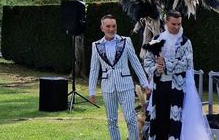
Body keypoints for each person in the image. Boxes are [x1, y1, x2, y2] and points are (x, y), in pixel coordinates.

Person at [143, 10, 211, 140]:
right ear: (166, 22)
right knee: (159, 119)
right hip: (159, 87)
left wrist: (166, 64)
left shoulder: (185, 42)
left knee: (175, 121)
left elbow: (187, 63)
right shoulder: (156, 40)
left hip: (177, 88)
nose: (177, 27)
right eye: (173, 24)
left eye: (179, 24)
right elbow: (147, 62)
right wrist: (157, 68)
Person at [89, 14, 151, 140]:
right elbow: (94, 69)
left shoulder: (126, 41)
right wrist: (91, 91)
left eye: (114, 26)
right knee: (112, 121)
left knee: (130, 119)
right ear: (102, 28)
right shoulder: (96, 45)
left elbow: (136, 63)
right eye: (108, 26)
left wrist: (145, 84)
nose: (111, 29)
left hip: (126, 85)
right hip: (108, 87)